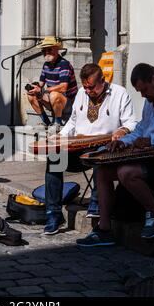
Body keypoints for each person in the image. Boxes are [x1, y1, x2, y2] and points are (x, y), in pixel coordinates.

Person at [77, 63, 154, 247]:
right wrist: (123, 141)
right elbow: (141, 129)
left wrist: (152, 141)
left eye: (144, 89)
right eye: (139, 91)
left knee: (127, 172)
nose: (142, 95)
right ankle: (104, 229)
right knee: (102, 170)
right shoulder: (150, 101)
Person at [42, 64, 137, 235]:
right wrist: (61, 136)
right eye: (85, 86)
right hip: (79, 146)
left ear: (103, 80)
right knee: (54, 158)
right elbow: (72, 121)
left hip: (105, 146)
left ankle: (97, 202)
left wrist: (122, 130)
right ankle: (53, 214)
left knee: (99, 153)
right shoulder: (81, 93)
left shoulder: (119, 93)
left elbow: (131, 122)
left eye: (91, 87)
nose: (87, 90)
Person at [27, 36, 78, 130]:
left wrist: (44, 91)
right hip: (52, 99)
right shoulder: (46, 65)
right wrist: (34, 87)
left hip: (68, 102)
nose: (46, 52)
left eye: (49, 49)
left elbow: (63, 87)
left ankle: (57, 124)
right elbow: (41, 84)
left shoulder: (64, 64)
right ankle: (46, 122)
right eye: (44, 50)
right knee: (31, 95)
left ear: (56, 49)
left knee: (54, 94)